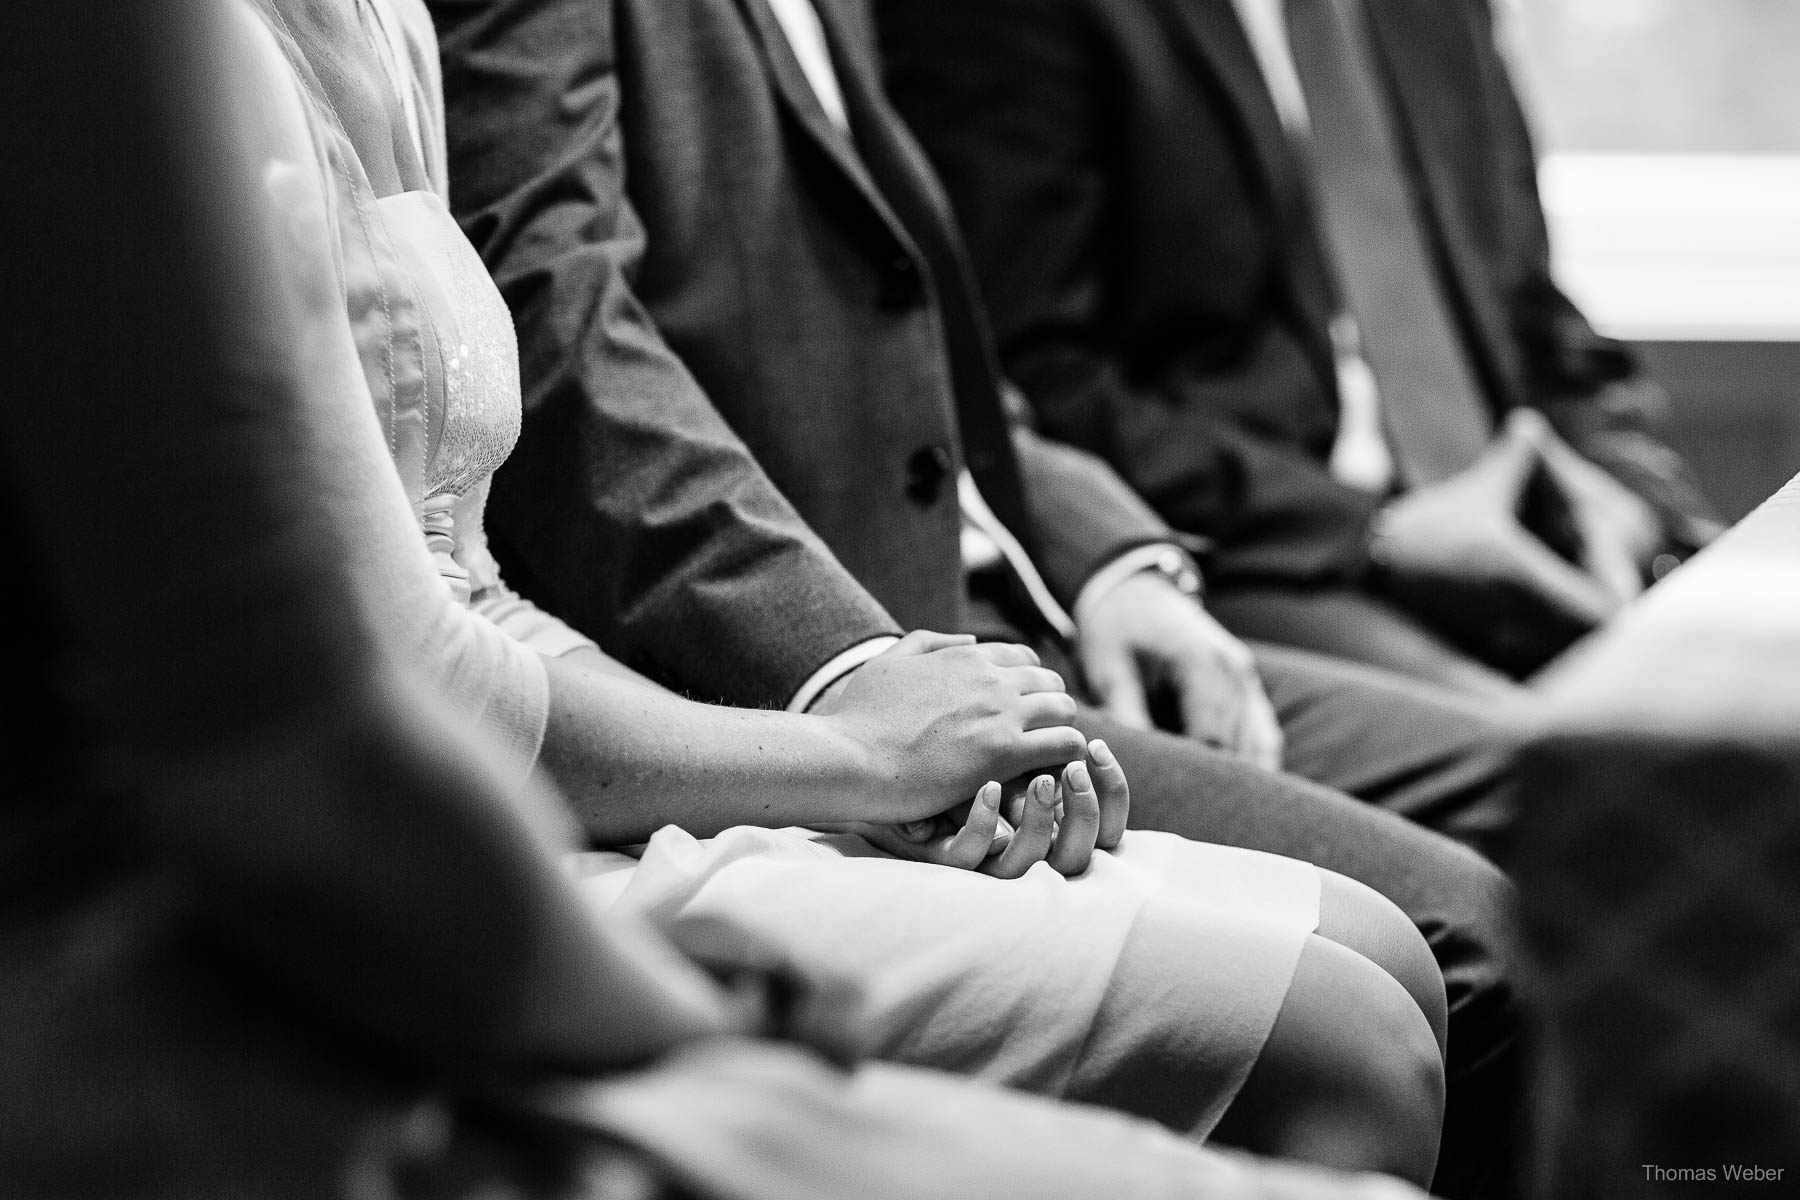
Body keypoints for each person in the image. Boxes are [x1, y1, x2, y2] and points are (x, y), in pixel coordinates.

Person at [0, 3, 1436, 1196]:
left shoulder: (373, 20)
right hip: (197, 956)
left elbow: (472, 580)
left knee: (1385, 958)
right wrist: (837, 767)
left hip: (486, 784)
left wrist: (869, 741)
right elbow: (315, 749)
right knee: (1347, 1037)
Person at [429, 0, 1525, 1195]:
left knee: (1528, 810)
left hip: (1025, 605)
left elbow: (931, 354)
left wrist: (1112, 557)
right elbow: (561, 340)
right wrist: (859, 677)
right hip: (849, 643)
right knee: (1464, 943)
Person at [876, 0, 1723, 697]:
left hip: (1524, 518)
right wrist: (1377, 532)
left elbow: (1530, 308)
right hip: (1272, 551)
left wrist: (1634, 498)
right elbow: (1031, 387)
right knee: (1571, 773)